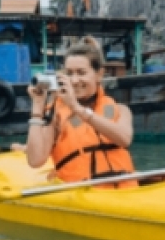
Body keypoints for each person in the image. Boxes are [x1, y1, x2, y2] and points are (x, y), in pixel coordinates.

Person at [25, 36, 136, 188]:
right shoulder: (56, 116)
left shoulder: (121, 110)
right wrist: (37, 107)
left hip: (125, 193)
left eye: (81, 73)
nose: (75, 80)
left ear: (99, 74)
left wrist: (77, 108)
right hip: (80, 195)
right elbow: (35, 160)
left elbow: (124, 139)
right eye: (69, 73)